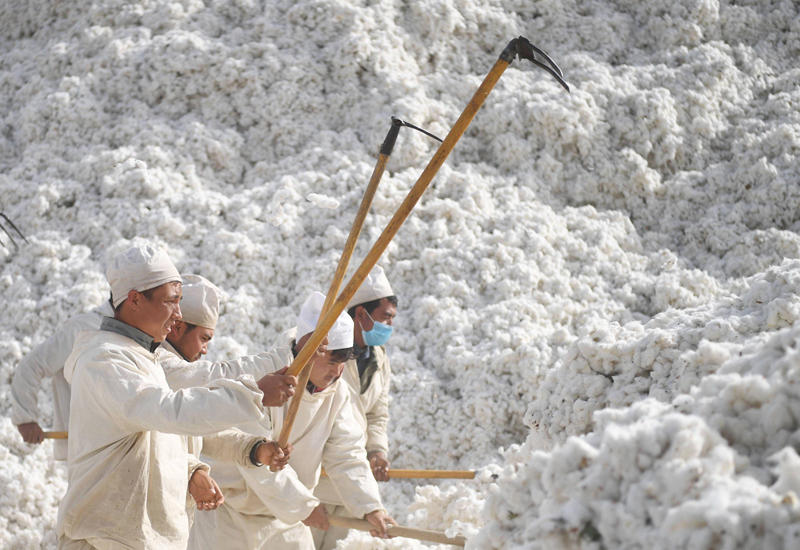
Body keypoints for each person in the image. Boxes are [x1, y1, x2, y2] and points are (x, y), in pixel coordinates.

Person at [56, 245, 273, 550]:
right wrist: (254, 395)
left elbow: (154, 441)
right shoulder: (104, 360)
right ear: (134, 299)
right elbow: (168, 411)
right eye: (171, 301)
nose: (178, 314)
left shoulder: (145, 358)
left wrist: (198, 468)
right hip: (105, 540)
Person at [188, 291, 397, 550]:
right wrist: (304, 507)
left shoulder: (338, 393)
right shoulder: (264, 382)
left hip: (285, 519)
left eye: (344, 363)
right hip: (229, 514)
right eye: (332, 362)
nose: (338, 372)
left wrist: (370, 508)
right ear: (310, 355)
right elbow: (256, 461)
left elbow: (347, 455)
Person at [312, 265, 397, 550]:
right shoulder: (323, 353)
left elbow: (376, 413)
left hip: (351, 485)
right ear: (360, 314)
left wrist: (376, 451)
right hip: (316, 481)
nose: (389, 327)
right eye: (385, 318)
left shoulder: (379, 359)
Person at [10, 296, 114, 459]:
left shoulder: (147, 332)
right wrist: (25, 418)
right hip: (86, 454)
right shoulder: (84, 328)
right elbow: (31, 366)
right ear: (132, 298)